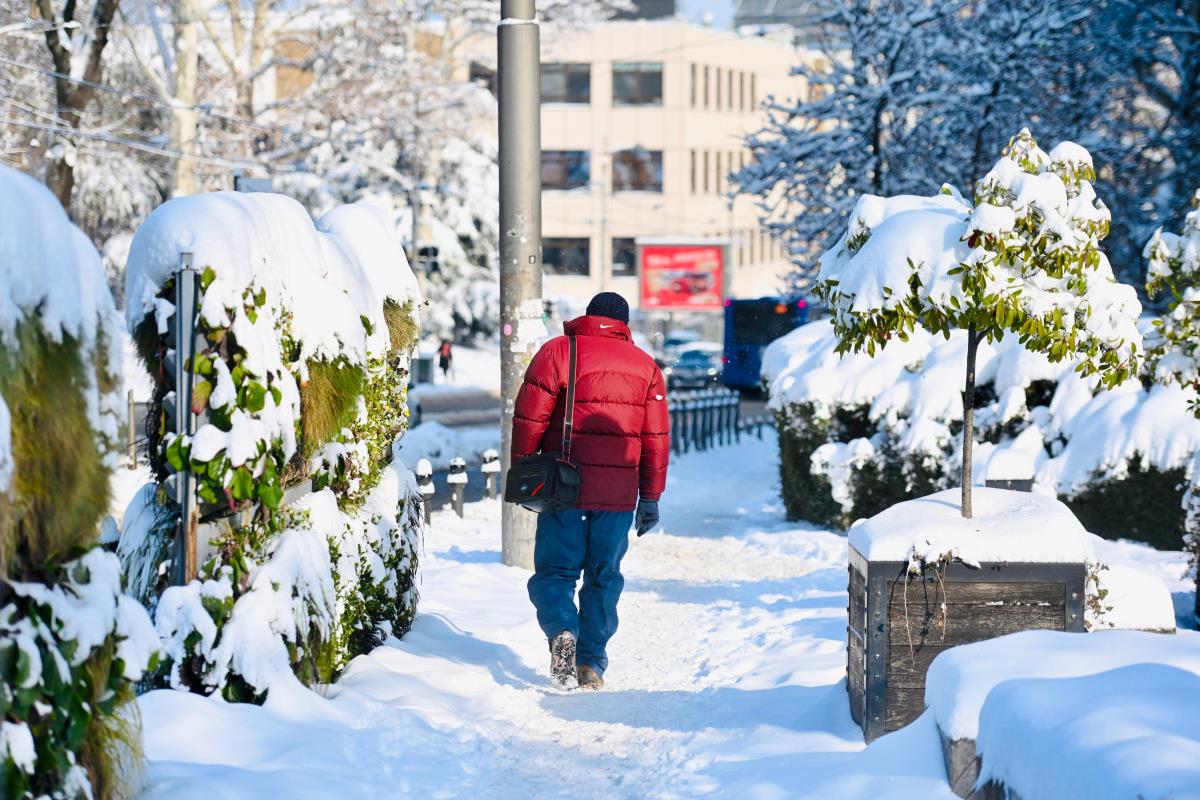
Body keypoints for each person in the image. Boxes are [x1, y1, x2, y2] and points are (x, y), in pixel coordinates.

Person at [511, 291, 669, 690]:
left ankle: (562, 630)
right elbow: (656, 439)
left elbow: (529, 418)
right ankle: (590, 664)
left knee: (555, 572)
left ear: (588, 316)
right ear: (624, 324)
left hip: (564, 488)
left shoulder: (559, 352)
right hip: (617, 495)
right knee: (603, 575)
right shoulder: (646, 367)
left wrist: (524, 468)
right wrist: (650, 496)